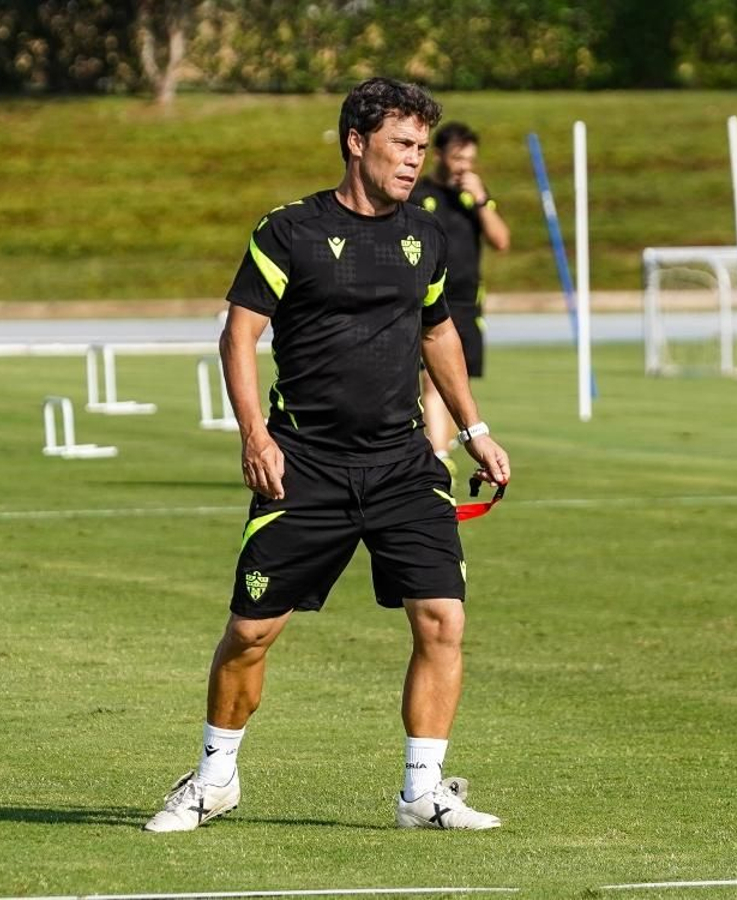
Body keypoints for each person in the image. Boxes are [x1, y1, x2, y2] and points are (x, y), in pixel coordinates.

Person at [143, 77, 511, 834]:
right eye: (401, 145)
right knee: (251, 632)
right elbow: (239, 334)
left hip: (404, 461)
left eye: (419, 147)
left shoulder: (427, 235)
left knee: (442, 620)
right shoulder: (290, 231)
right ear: (356, 142)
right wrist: (255, 434)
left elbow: (438, 332)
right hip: (304, 461)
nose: (414, 161)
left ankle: (422, 790)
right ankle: (214, 780)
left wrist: (475, 431)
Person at [408, 122, 511, 470]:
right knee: (431, 380)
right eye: (457, 158)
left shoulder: (474, 197)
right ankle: (439, 460)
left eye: (470, 159)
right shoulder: (418, 195)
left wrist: (482, 200)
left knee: (455, 383)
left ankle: (440, 452)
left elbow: (501, 241)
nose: (464, 165)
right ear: (438, 155)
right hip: (427, 302)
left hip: (467, 304)